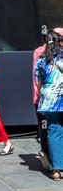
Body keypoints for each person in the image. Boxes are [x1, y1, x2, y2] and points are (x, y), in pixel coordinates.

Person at [35, 29, 63, 181]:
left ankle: (57, 170)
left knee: (54, 131)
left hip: (49, 100)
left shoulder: (41, 60)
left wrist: (44, 95)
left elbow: (37, 83)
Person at [32, 34, 50, 170]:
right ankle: (47, 156)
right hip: (44, 99)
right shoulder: (40, 53)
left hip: (46, 98)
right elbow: (37, 78)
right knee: (45, 128)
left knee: (47, 129)